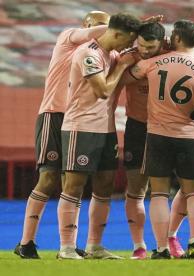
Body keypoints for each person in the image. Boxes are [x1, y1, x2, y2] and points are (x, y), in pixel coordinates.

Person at [14, 11, 110, 259]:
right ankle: (26, 242)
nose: (103, 29)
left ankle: (68, 245)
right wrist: (120, 27)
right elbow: (92, 34)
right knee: (48, 178)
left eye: (107, 26)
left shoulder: (103, 54)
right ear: (85, 25)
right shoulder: (68, 37)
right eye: (100, 24)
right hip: (54, 115)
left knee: (72, 183)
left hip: (77, 121)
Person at [127, 19, 194, 259]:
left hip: (157, 136)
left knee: (158, 194)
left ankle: (161, 248)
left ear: (176, 38)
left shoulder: (152, 63)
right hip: (189, 136)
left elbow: (128, 76)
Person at [57, 12, 140, 260]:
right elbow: (103, 90)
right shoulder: (88, 53)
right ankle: (67, 248)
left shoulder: (112, 53)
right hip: (80, 128)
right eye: (128, 39)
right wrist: (123, 66)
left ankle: (94, 247)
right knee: (74, 186)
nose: (130, 45)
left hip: (107, 130)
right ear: (115, 34)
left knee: (104, 186)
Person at [121, 22, 166, 260]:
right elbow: (115, 81)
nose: (145, 50)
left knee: (174, 189)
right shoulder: (129, 57)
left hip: (169, 128)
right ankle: (139, 246)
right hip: (137, 126)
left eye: (151, 46)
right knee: (136, 190)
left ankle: (170, 241)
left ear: (163, 42)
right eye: (142, 45)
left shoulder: (176, 55)